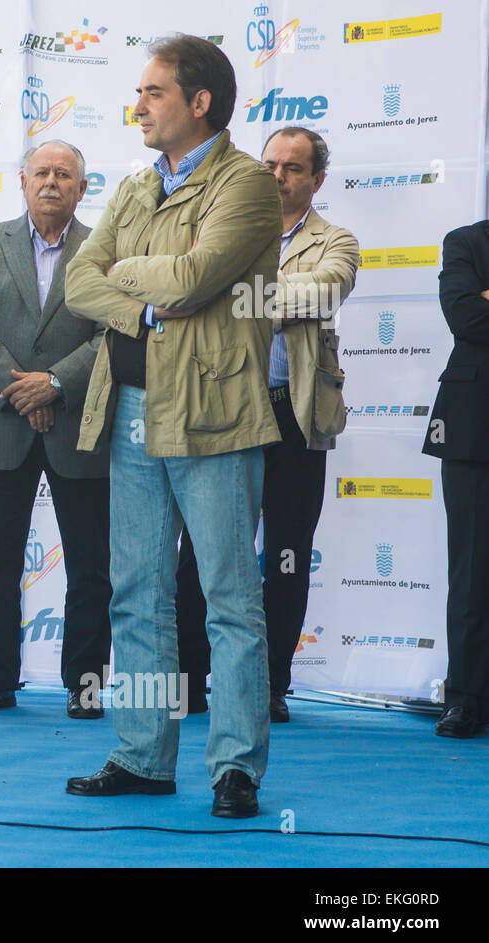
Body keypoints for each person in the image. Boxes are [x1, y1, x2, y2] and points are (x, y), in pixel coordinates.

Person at [63, 35, 282, 818]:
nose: (139, 105)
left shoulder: (248, 184)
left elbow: (197, 274)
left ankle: (235, 768)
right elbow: (78, 280)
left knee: (227, 596)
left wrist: (129, 274)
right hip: (129, 406)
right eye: (139, 91)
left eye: (154, 92)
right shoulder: (132, 184)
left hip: (213, 411)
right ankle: (144, 753)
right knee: (137, 592)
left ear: (200, 102)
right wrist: (149, 300)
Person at [174, 128, 358, 723]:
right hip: (224, 406)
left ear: (317, 179)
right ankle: (187, 678)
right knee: (202, 548)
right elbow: (189, 286)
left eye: (294, 168)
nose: (278, 176)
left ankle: (271, 684)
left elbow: (324, 290)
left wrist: (237, 297)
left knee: (285, 552)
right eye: (270, 164)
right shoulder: (221, 226)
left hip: (293, 413)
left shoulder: (338, 240)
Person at [0, 139, 111, 718]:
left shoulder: (106, 250)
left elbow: (111, 334)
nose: (51, 182)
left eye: (64, 174)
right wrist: (22, 392)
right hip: (0, 421)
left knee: (92, 565)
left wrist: (56, 384)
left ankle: (86, 685)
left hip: (79, 423)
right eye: (41, 172)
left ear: (81, 188)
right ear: (22, 182)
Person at [423, 218, 489, 737]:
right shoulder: (467, 241)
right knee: (470, 569)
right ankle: (465, 696)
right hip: (473, 423)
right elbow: (466, 316)